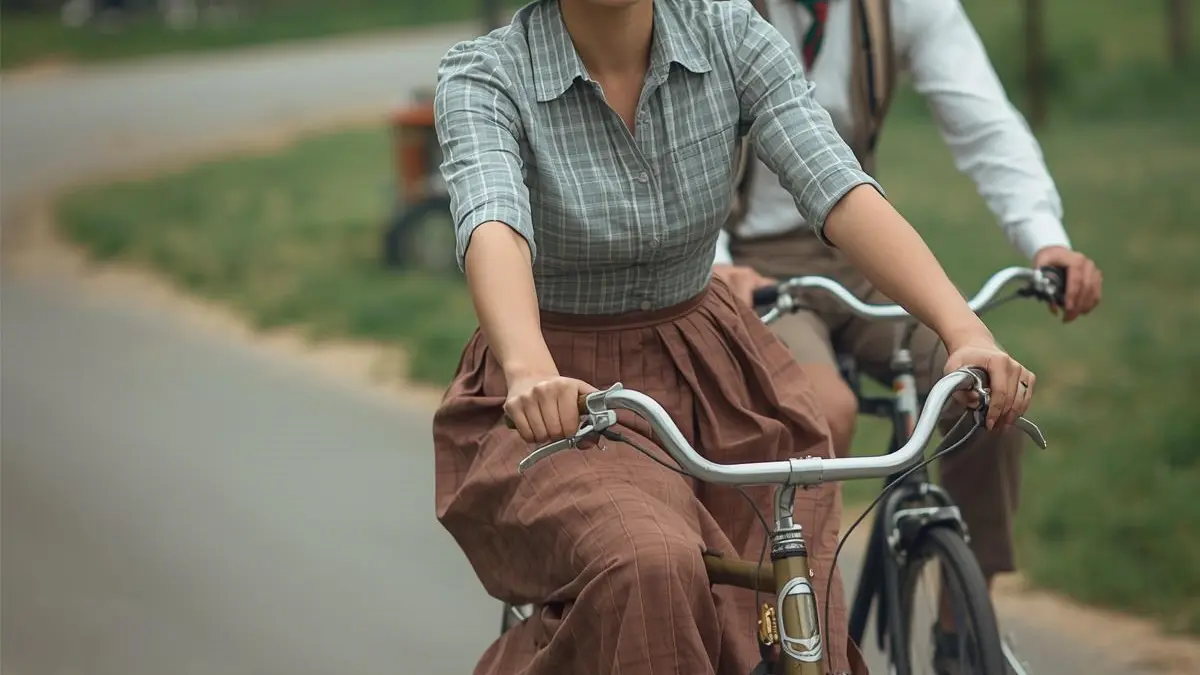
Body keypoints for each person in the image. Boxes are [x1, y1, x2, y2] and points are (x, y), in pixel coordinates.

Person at [431, 0, 1036, 673]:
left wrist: (962, 328)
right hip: (563, 391)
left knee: (791, 591)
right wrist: (528, 365)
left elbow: (838, 186)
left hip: (717, 373)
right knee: (649, 563)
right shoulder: (486, 76)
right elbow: (493, 223)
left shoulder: (729, 35)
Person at [709, 0, 1103, 669]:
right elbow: (674, 158)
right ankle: (796, 641)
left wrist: (1046, 239)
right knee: (821, 411)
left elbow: (984, 119)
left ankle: (962, 629)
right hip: (751, 260)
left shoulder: (903, 7)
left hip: (863, 250)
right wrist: (718, 264)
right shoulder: (713, 13)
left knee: (984, 387)